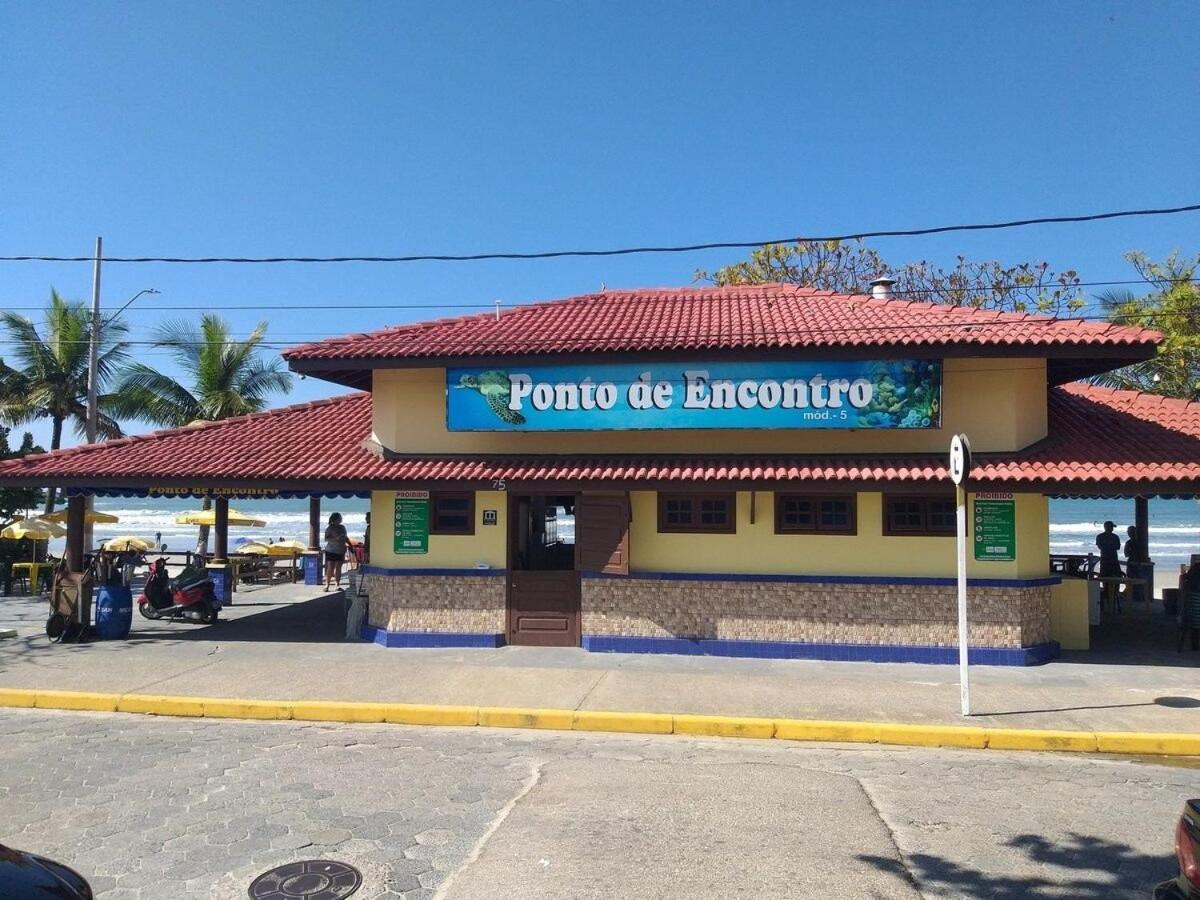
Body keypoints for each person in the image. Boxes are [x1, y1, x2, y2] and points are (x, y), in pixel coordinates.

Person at [1096, 521, 1122, 611]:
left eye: (1112, 527)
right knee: (1107, 579)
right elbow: (1117, 547)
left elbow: (1101, 546)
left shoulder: (1101, 537)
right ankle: (1110, 595)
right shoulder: (1114, 537)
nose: (1112, 529)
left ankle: (1112, 595)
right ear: (1106, 527)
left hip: (1109, 560)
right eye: (1111, 527)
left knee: (1110, 578)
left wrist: (1108, 546)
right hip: (1109, 560)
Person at [323, 512, 353, 590]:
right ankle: (327, 585)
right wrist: (336, 539)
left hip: (341, 550)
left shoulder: (342, 527)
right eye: (340, 518)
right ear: (335, 519)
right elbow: (326, 538)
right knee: (331, 567)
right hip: (331, 550)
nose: (341, 519)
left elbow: (345, 537)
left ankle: (337, 584)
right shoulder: (330, 528)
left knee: (339, 567)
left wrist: (350, 545)